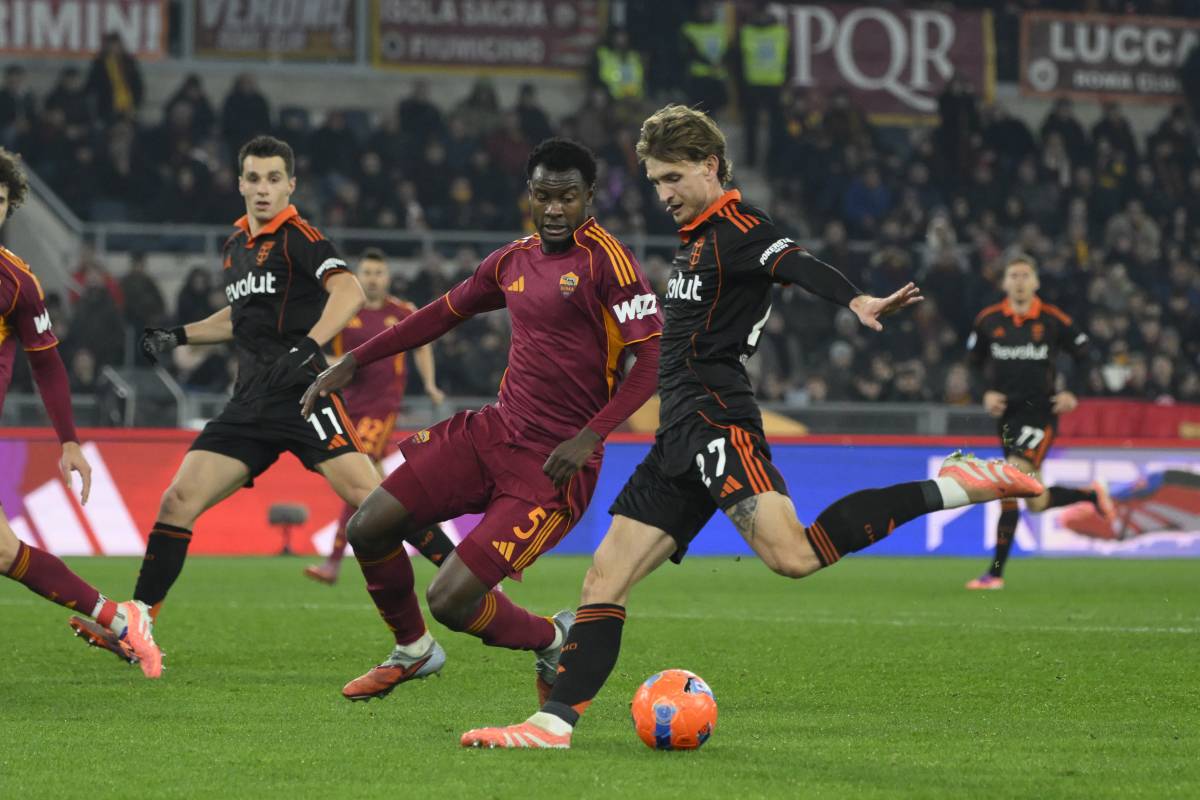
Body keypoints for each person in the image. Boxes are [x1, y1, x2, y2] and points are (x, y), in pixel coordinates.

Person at [459, 105, 1045, 749]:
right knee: (604, 577)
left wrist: (855, 299)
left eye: (673, 178)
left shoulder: (739, 227)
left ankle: (953, 484)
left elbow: (794, 261)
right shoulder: (697, 238)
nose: (663, 194)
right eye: (655, 181)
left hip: (716, 418)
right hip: (678, 433)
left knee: (792, 556)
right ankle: (551, 727)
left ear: (710, 167)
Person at [301, 138, 662, 702]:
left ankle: (552, 638)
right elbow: (441, 313)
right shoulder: (512, 260)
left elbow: (653, 360)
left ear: (589, 196)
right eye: (543, 196)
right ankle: (413, 649)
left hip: (554, 465)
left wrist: (590, 436)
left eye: (567, 197)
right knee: (367, 527)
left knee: (450, 600)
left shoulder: (609, 263)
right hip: (492, 433)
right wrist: (355, 360)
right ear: (529, 195)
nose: (553, 209)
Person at [66, 136, 448, 665]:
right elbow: (238, 317)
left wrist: (310, 346)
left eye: (273, 179)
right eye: (254, 178)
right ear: (240, 183)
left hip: (303, 395)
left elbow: (350, 292)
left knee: (373, 500)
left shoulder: (301, 238)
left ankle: (465, 573)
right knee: (178, 500)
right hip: (248, 403)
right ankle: (139, 623)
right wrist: (180, 335)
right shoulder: (235, 247)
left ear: (290, 185)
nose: (263, 188)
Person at [0, 147, 161, 677]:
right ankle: (119, 618)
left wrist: (69, 440)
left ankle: (119, 618)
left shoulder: (18, 283)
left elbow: (47, 367)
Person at [965, 255, 1115, 590]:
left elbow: (1085, 355)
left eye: (1025, 275)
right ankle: (1089, 495)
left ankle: (995, 574)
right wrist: (984, 392)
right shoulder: (989, 320)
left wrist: (1072, 391)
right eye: (1013, 275)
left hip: (1040, 414)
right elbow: (972, 363)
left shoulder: (1052, 320)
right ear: (1004, 283)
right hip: (1008, 415)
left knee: (1008, 480)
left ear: (1036, 282)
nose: (1019, 281)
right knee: (1037, 502)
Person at [303, 248, 447, 585]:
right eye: (367, 272)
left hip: (382, 408)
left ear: (388, 277)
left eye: (378, 273)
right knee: (382, 491)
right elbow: (322, 352)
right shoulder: (344, 312)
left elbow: (422, 344)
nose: (372, 279)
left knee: (357, 474)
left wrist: (430, 383)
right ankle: (437, 531)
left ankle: (333, 562)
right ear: (358, 276)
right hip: (347, 406)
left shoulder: (402, 312)